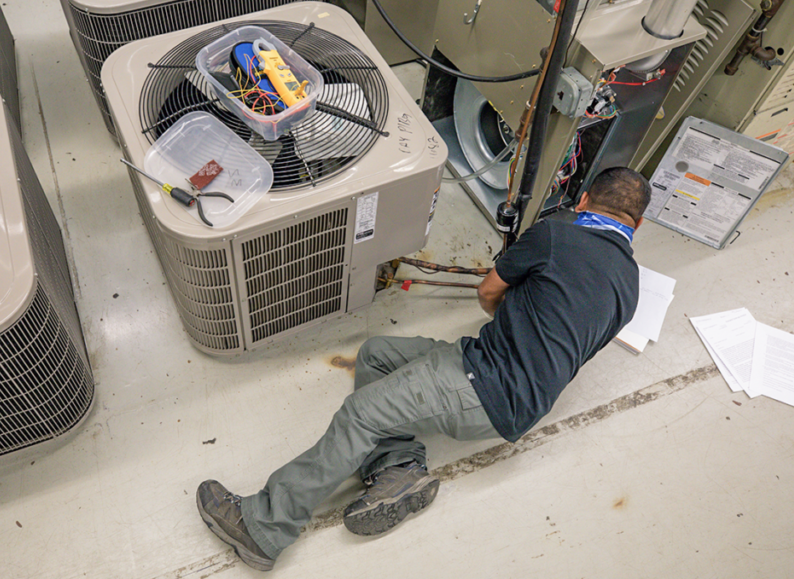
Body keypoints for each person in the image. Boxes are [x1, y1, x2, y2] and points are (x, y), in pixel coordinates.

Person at [196, 167, 652, 571]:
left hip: (484, 385)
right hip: (512, 392)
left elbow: (489, 293)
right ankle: (398, 470)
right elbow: (580, 347)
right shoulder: (631, 283)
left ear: (585, 200)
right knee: (377, 354)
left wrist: (514, 316)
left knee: (362, 413)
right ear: (639, 223)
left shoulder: (556, 233)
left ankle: (263, 526)